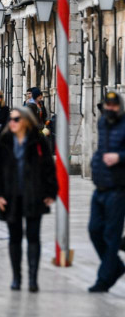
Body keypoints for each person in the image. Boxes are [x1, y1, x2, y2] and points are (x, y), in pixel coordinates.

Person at [0, 107, 57, 292]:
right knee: (15, 238)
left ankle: (33, 279)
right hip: (11, 197)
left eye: (16, 119)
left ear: (26, 121)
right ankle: (17, 278)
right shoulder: (4, 141)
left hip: (34, 195)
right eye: (11, 119)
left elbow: (49, 168)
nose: (12, 123)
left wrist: (51, 192)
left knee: (34, 237)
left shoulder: (38, 141)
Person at [87, 90, 125, 293]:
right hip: (100, 186)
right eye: (107, 105)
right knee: (94, 230)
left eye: (114, 105)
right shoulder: (103, 123)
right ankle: (116, 267)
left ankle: (104, 280)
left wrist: (119, 157)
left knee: (111, 235)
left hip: (118, 189)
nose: (110, 108)